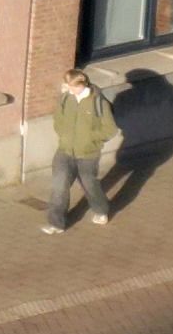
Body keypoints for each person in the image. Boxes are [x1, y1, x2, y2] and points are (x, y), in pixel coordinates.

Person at [45, 68, 120, 232]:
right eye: (68, 86)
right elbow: (58, 119)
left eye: (73, 87)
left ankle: (101, 210)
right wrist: (63, 134)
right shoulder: (66, 98)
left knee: (89, 184)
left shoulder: (98, 102)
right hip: (64, 150)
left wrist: (91, 138)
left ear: (82, 84)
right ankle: (56, 223)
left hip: (88, 154)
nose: (70, 90)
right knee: (59, 186)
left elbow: (110, 129)